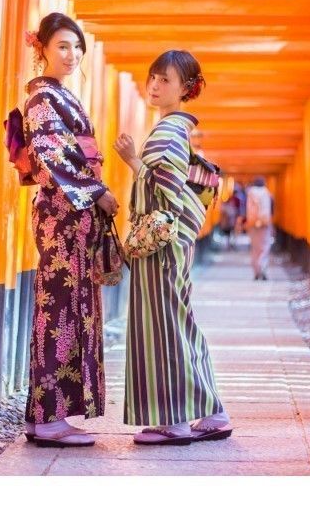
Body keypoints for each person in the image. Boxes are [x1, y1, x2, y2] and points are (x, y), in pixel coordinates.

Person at [114, 50, 232, 445]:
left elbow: (167, 187)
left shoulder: (168, 130)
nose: (155, 85)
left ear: (186, 88)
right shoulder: (175, 128)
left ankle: (175, 419)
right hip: (175, 241)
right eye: (153, 77)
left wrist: (133, 161)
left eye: (165, 80)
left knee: (163, 325)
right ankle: (213, 412)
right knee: (180, 321)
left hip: (161, 244)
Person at [21, 12, 120, 447]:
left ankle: (47, 414)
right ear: (41, 47)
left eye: (77, 48)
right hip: (61, 216)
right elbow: (54, 156)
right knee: (58, 308)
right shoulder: (42, 99)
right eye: (62, 45)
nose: (71, 54)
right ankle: (48, 417)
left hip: (72, 218)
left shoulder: (59, 96)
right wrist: (95, 190)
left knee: (68, 306)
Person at [246, 176, 273, 280]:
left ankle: (256, 271)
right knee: (265, 247)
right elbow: (271, 209)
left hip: (252, 223)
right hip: (264, 223)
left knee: (255, 247)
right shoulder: (266, 193)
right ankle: (263, 267)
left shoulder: (250, 193)